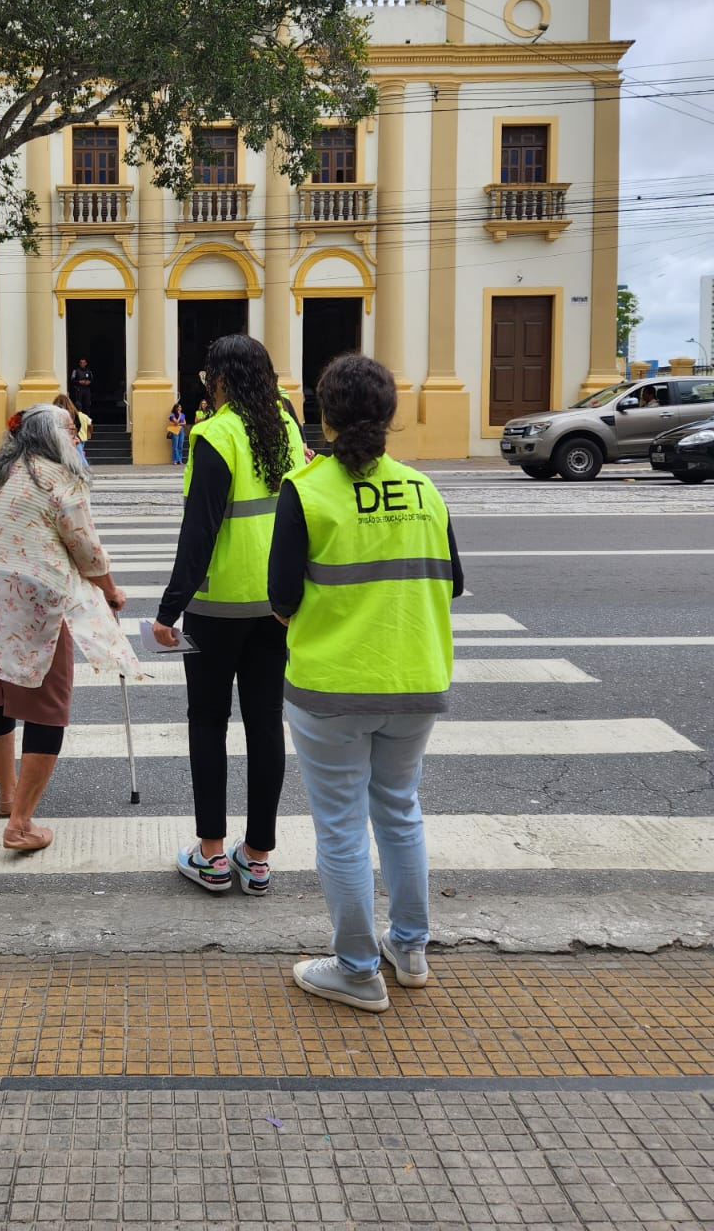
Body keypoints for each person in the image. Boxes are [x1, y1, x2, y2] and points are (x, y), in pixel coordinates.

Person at [269, 353, 464, 1014]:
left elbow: (280, 599)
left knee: (343, 829)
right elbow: (453, 582)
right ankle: (409, 950)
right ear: (390, 418)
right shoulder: (424, 490)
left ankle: (356, 971)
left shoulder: (307, 489)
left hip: (332, 688)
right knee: (401, 811)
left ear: (323, 417)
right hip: (416, 679)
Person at [0, 403, 135, 851]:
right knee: (46, 705)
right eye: (72, 430)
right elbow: (87, 551)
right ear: (54, 437)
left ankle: (7, 794)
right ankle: (20, 824)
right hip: (35, 602)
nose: (77, 437)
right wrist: (111, 591)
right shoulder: (62, 480)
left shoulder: (5, 473)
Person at [150, 335, 305, 897]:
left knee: (207, 724)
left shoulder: (214, 434)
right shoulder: (286, 428)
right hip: (274, 607)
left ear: (218, 379)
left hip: (216, 610)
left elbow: (201, 531)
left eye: (205, 376)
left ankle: (213, 857)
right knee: (265, 724)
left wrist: (169, 610)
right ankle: (257, 857)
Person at [53, 394, 89, 468]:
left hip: (58, 439)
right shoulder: (73, 412)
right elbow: (78, 425)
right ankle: (84, 471)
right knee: (80, 456)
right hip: (72, 438)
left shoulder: (54, 412)